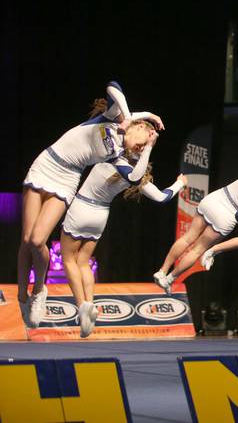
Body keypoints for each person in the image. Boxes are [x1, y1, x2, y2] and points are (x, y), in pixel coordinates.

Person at [18, 81, 163, 327]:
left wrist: (147, 147)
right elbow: (113, 86)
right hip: (46, 164)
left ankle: (39, 291)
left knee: (36, 240)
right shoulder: (111, 119)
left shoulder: (118, 154)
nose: (141, 146)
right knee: (25, 240)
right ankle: (22, 296)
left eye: (144, 145)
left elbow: (136, 177)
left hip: (67, 179)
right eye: (143, 138)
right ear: (137, 126)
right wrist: (139, 115)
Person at [60, 128, 185, 337]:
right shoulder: (137, 173)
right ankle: (90, 303)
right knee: (83, 261)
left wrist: (147, 147)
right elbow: (162, 198)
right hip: (100, 215)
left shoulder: (115, 156)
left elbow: (108, 128)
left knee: (68, 260)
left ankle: (82, 305)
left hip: (82, 207)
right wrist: (180, 182)